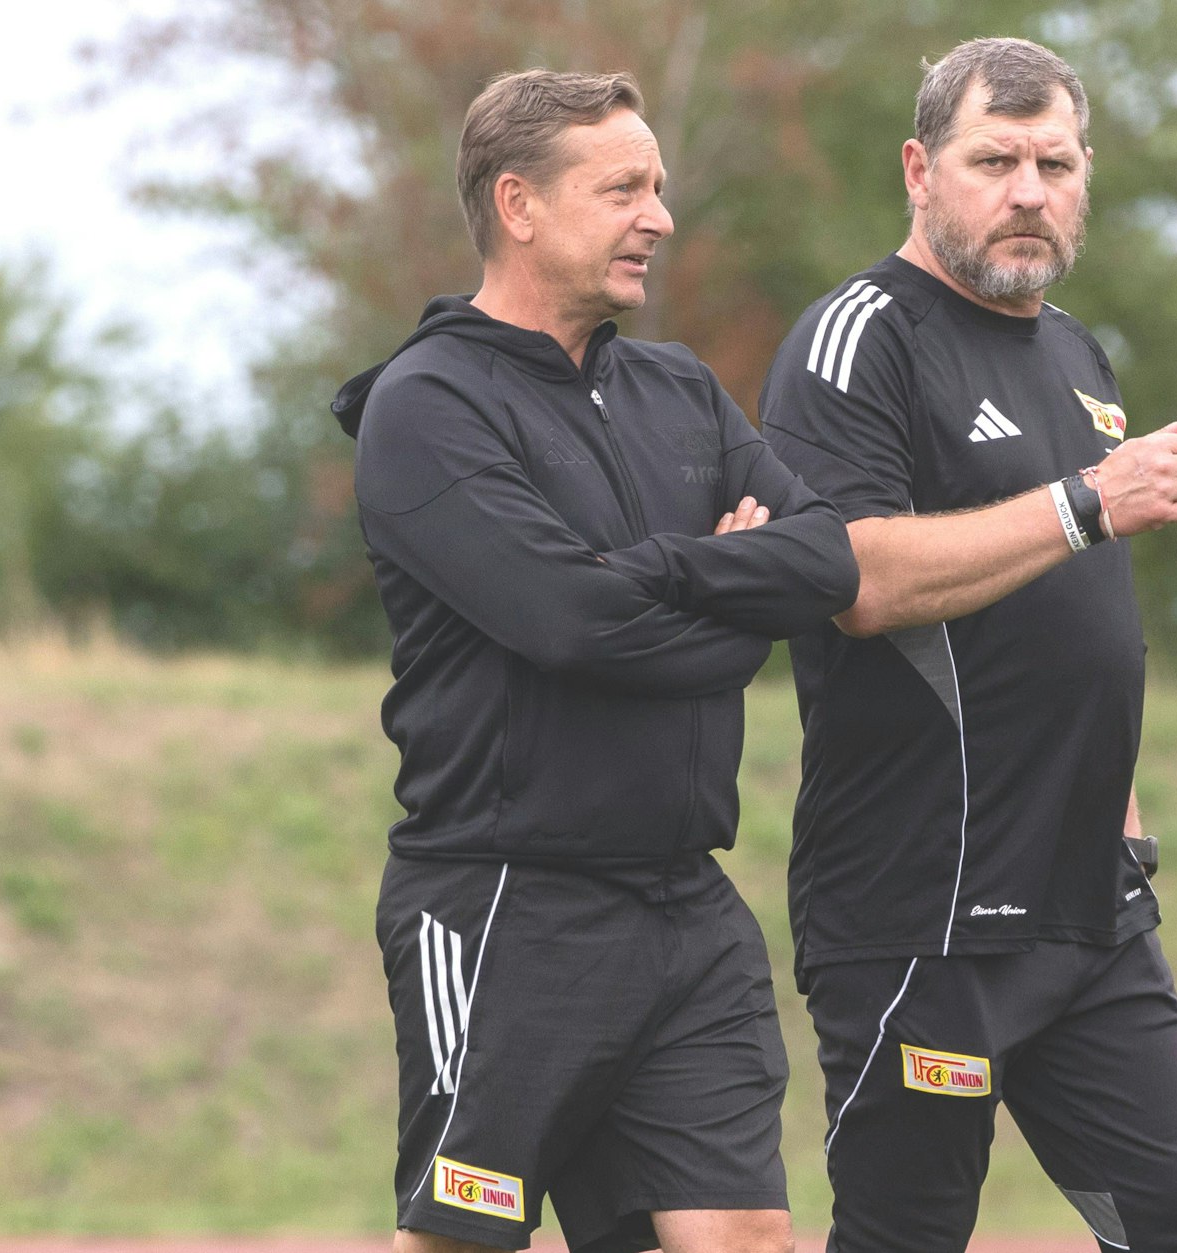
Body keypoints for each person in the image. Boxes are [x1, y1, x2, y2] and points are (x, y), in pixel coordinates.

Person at [331, 69, 857, 1253]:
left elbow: (825, 559)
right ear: (517, 204)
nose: (658, 217)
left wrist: (656, 577)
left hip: (685, 906)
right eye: (623, 187)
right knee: (459, 1240)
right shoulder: (426, 403)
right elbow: (570, 621)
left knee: (749, 1237)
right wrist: (729, 593)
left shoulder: (676, 388)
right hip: (507, 903)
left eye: (658, 188)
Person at [757, 37, 1177, 1253]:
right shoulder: (857, 336)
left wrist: (1122, 819)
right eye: (994, 160)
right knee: (904, 1234)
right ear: (919, 169)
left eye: (1054, 162)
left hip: (1090, 905)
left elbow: (1079, 631)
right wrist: (1087, 500)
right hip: (924, 913)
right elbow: (855, 575)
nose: (1027, 190)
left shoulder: (1078, 354)